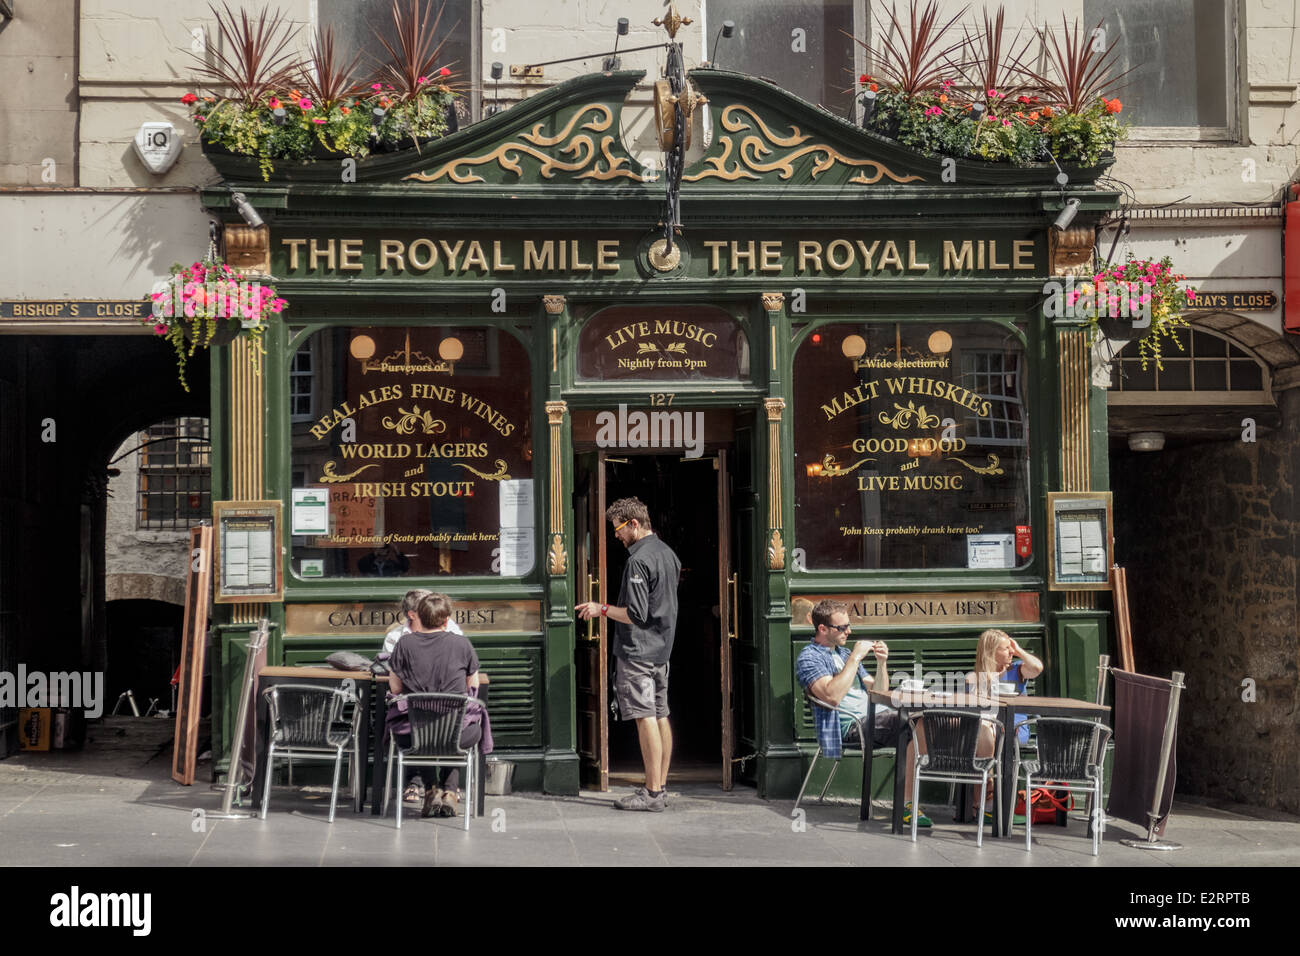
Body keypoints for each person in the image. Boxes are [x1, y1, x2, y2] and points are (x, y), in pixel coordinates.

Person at [576, 496, 681, 812]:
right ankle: (658, 789)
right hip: (662, 649)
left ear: (634, 524)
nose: (616, 535)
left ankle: (650, 793)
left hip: (638, 650)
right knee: (661, 714)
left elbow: (636, 614)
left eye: (618, 529)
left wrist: (601, 609)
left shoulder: (638, 561)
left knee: (644, 715)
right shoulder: (668, 554)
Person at [795, 599, 931, 827]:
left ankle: (972, 798)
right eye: (842, 628)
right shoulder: (809, 657)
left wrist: (881, 663)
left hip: (877, 716)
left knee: (934, 719)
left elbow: (878, 691)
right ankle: (907, 804)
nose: (849, 631)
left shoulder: (844, 652)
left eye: (848, 625)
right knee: (918, 722)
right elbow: (831, 696)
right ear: (822, 629)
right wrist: (855, 657)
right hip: (851, 727)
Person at [388, 592, 483, 819]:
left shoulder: (404, 644)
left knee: (425, 730)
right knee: (461, 728)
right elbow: (473, 686)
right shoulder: (462, 644)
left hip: (414, 736)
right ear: (446, 619)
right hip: (456, 736)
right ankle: (450, 790)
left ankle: (431, 790)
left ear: (418, 616)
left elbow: (395, 688)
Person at [966, 628, 1044, 819]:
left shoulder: (1017, 669)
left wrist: (1019, 651)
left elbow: (1037, 668)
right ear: (991, 652)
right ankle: (983, 799)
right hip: (985, 729)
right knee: (983, 729)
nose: (1011, 652)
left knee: (984, 731)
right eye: (1006, 649)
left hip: (1015, 730)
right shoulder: (974, 677)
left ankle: (983, 801)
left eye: (1011, 649)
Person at [383, 588, 464, 655]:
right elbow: (390, 670)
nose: (433, 612)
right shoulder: (395, 637)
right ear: (412, 615)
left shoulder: (449, 626)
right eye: (427, 609)